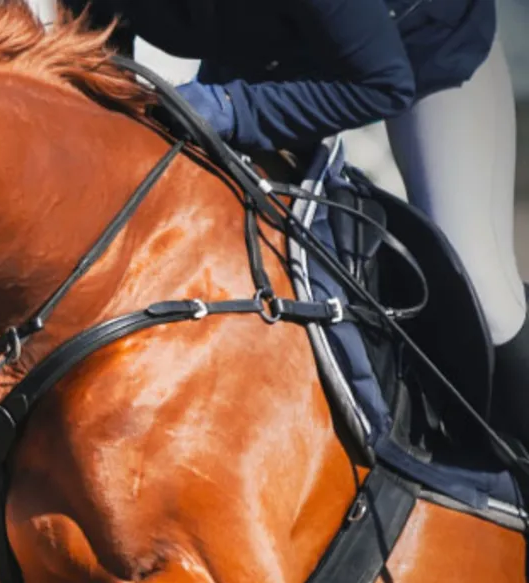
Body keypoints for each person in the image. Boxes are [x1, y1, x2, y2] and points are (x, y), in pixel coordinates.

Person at [64, 0, 527, 443]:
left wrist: (228, 107)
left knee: (484, 296)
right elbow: (99, 66)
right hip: (267, 53)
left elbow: (384, 83)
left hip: (418, 48)